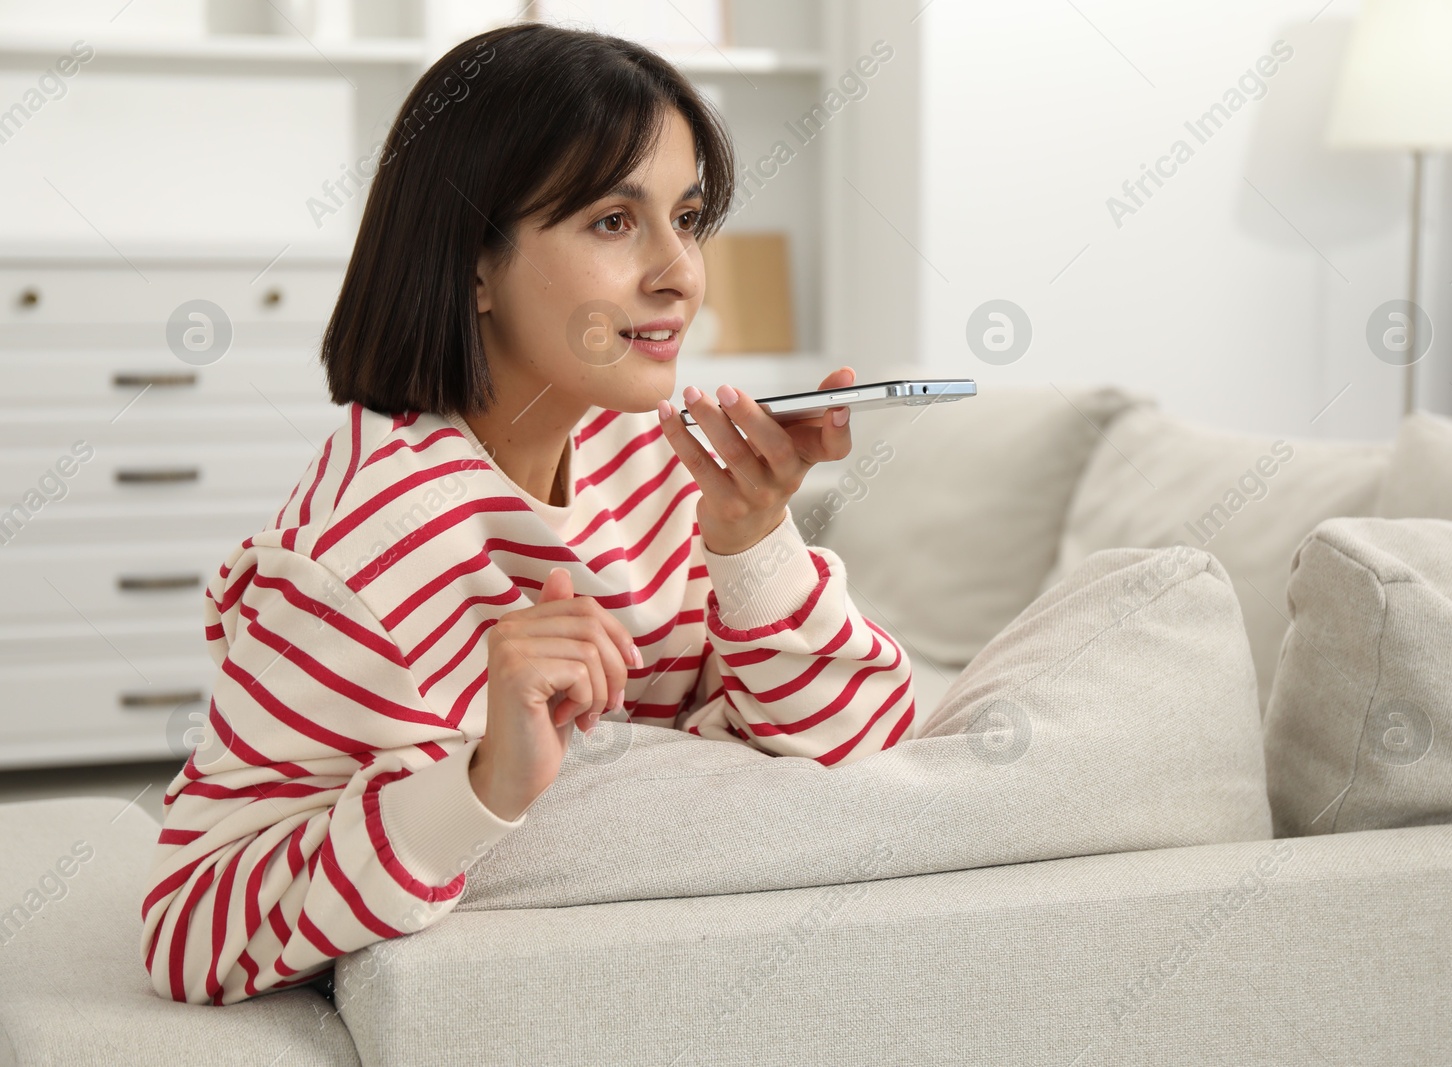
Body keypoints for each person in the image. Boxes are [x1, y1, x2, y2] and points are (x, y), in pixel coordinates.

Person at [139, 21, 919, 1006]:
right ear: (474, 261)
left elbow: (867, 744)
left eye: (687, 216)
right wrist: (481, 784)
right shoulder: (361, 556)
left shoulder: (639, 448)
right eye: (612, 220)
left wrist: (753, 542)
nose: (681, 271)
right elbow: (186, 922)